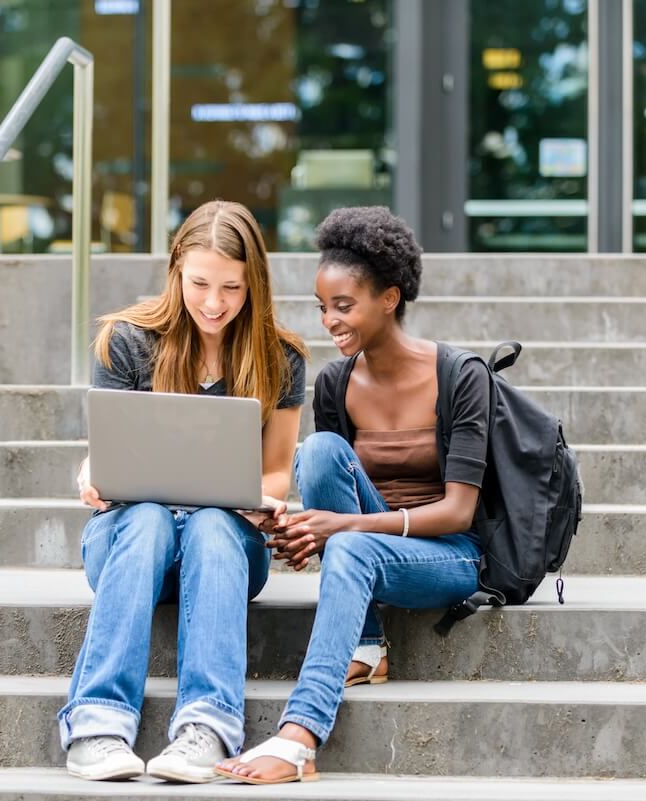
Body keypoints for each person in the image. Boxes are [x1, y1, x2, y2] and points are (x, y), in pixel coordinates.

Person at [216, 206, 490, 785]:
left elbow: (458, 511)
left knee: (350, 546)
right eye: (321, 308)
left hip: (451, 552)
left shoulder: (461, 376)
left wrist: (337, 529)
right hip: (367, 541)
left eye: (344, 306)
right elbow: (332, 492)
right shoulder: (337, 383)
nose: (329, 322)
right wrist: (299, 528)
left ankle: (300, 738)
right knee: (316, 453)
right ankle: (366, 647)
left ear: (389, 298)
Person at [59, 199, 307, 783]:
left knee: (213, 523)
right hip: (131, 544)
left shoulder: (280, 356)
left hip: (223, 552)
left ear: (255, 286)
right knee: (145, 516)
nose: (214, 303)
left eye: (232, 288)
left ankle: (209, 726)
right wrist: (91, 473)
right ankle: (96, 723)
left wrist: (258, 497)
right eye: (199, 284)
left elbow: (277, 474)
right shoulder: (127, 340)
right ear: (176, 269)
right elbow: (108, 450)